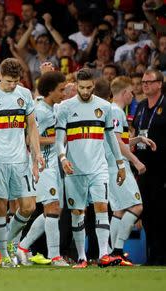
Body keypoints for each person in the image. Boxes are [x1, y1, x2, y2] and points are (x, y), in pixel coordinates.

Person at [0, 58, 44, 267]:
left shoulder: (24, 94)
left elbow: (31, 128)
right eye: (8, 81)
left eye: (15, 81)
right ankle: (4, 254)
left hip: (20, 161)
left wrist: (36, 156)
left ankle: (8, 243)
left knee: (29, 206)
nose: (12, 85)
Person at [55, 69, 125, 268]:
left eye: (88, 87)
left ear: (93, 85)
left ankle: (103, 254)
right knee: (78, 212)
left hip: (98, 168)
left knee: (102, 207)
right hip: (74, 169)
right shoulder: (65, 108)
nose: (85, 91)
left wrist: (120, 164)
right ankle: (82, 257)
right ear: (76, 85)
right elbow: (60, 140)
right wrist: (62, 158)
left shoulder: (105, 107)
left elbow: (111, 138)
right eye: (81, 87)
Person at [15, 71, 69, 267]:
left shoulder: (53, 107)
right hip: (43, 165)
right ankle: (55, 256)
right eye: (61, 90)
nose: (64, 93)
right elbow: (30, 138)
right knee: (52, 207)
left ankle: (22, 248)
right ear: (50, 92)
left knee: (52, 210)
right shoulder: (41, 111)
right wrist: (58, 140)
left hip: (55, 166)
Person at [106, 76, 156, 266]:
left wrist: (138, 140)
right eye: (131, 92)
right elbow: (118, 143)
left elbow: (119, 141)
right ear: (125, 92)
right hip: (119, 167)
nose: (133, 96)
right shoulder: (116, 112)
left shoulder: (110, 110)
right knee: (137, 207)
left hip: (111, 166)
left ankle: (112, 254)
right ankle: (117, 251)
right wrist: (135, 161)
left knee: (119, 211)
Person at [132, 69, 166, 265]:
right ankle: (152, 256)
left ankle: (162, 256)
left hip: (162, 167)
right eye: (143, 82)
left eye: (149, 82)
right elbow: (136, 130)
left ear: (159, 84)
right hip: (143, 167)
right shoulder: (142, 106)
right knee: (148, 212)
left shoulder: (165, 104)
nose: (144, 85)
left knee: (162, 212)